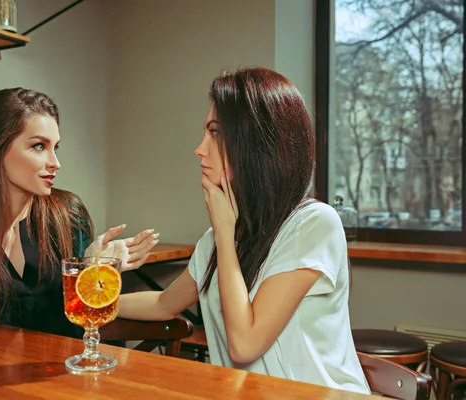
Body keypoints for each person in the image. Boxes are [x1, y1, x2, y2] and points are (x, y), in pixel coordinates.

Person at [118, 68, 370, 394]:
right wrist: (91, 301)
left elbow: (245, 344)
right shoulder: (218, 239)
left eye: (215, 133)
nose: (199, 148)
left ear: (257, 144)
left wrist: (224, 232)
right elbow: (164, 304)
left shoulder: (314, 224)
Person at [0, 88, 159, 339]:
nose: (55, 162)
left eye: (56, 148)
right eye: (39, 146)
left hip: (61, 372)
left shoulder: (70, 216)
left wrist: (92, 271)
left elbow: (81, 324)